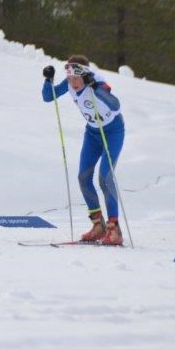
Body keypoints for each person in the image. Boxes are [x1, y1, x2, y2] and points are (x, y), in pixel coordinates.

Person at [41, 55, 125, 245]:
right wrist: (48, 80)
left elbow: (115, 104)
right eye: (70, 78)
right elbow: (49, 97)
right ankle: (98, 225)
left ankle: (114, 229)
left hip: (112, 131)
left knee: (105, 177)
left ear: (85, 74)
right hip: (93, 133)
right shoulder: (71, 83)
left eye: (77, 78)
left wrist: (94, 86)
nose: (73, 83)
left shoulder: (97, 82)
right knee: (83, 177)